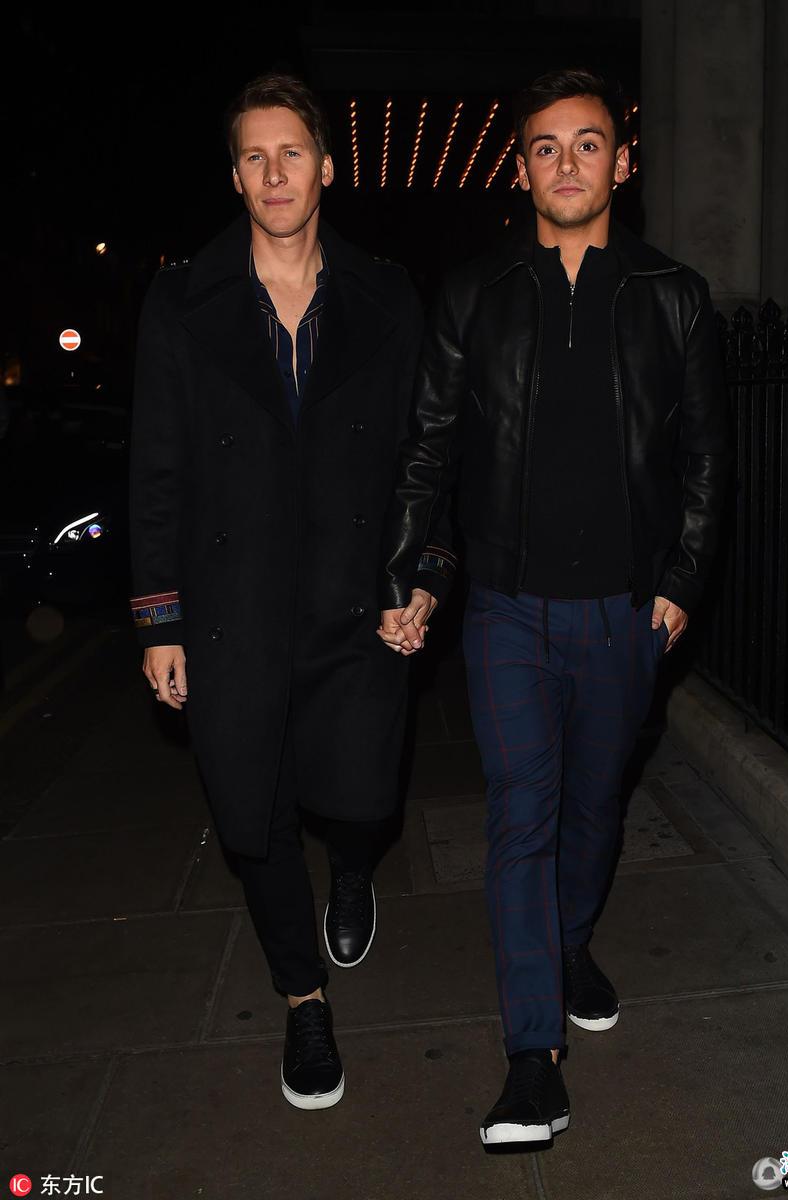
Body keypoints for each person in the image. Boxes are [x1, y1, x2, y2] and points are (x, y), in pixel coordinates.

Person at [379, 67, 730, 1146]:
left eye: (587, 144)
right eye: (545, 146)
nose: (566, 163)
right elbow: (430, 445)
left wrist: (679, 584)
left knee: (593, 811)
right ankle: (531, 1058)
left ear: (622, 162)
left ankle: (570, 943)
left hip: (626, 613)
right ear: (521, 167)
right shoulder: (475, 292)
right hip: (507, 610)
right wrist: (409, 574)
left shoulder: (673, 295)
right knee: (520, 815)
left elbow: (705, 460)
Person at [129, 71, 453, 1111]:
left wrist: (424, 573)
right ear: (235, 177)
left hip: (356, 598)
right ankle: (302, 998)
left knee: (361, 795)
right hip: (232, 606)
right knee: (253, 815)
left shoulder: (386, 297)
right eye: (254, 157)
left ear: (326, 167)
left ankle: (353, 869)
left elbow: (424, 453)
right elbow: (156, 469)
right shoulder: (182, 301)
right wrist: (160, 619)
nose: (275, 174)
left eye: (292, 153)